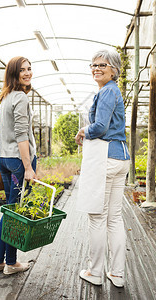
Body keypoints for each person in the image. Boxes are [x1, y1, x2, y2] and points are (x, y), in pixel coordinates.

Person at [75, 50, 130, 287]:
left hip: (106, 157)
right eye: (93, 64)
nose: (96, 68)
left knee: (97, 217)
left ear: (114, 70)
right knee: (114, 218)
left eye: (102, 65)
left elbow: (99, 127)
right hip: (120, 157)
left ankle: (95, 272)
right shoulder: (112, 91)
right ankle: (117, 273)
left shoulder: (108, 91)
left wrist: (82, 131)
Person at [0, 56, 37, 275]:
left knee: (9, 211)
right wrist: (28, 167)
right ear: (14, 74)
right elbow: (21, 135)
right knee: (15, 213)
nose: (28, 73)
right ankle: (11, 263)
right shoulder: (20, 98)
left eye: (29, 69)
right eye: (22, 70)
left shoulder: (6, 97)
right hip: (18, 162)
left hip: (4, 160)